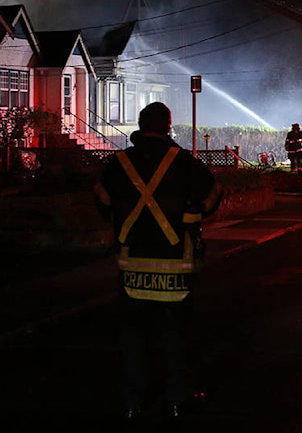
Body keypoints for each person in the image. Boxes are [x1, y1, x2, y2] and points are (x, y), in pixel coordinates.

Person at [95, 102, 223, 423]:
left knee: (133, 338)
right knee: (176, 336)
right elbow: (212, 196)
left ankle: (131, 403)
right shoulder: (183, 163)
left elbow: (102, 199)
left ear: (140, 125)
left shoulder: (119, 163)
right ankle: (178, 401)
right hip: (175, 270)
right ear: (168, 126)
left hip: (132, 269)